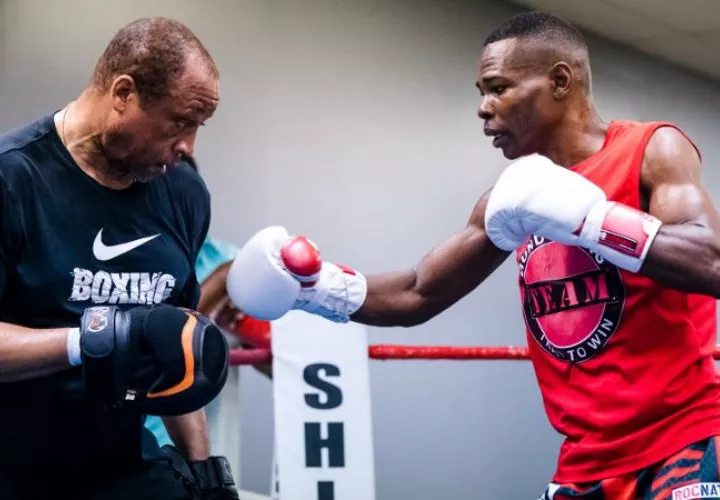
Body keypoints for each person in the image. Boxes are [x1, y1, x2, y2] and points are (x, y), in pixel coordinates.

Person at [227, 11, 720, 500]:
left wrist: (593, 220)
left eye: (499, 88)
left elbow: (711, 262)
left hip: (685, 442)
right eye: (481, 92)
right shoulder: (511, 198)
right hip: (585, 464)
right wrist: (314, 287)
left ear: (559, 81)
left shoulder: (651, 149)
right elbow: (418, 292)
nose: (484, 108)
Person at [0, 17, 238, 499]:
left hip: (122, 463)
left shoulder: (184, 193)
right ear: (123, 93)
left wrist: (205, 471)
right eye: (180, 122)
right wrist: (91, 341)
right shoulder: (13, 178)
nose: (188, 146)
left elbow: (176, 350)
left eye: (198, 127)